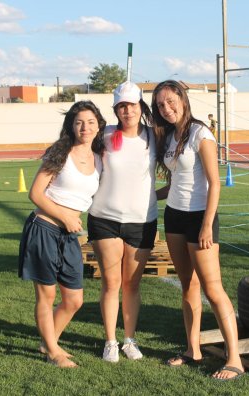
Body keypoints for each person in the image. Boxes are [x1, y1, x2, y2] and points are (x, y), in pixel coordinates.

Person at [151, 80, 244, 381]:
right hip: (174, 217)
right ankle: (193, 350)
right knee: (187, 285)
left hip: (200, 219)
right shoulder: (170, 136)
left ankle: (234, 359)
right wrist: (149, 196)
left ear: (182, 98)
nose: (166, 108)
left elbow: (215, 183)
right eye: (160, 105)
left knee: (213, 289)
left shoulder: (200, 133)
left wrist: (206, 225)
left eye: (170, 101)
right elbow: (177, 182)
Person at [18, 101, 106, 368]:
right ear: (71, 125)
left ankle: (48, 342)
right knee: (46, 296)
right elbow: (35, 194)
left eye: (90, 122)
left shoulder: (100, 159)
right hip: (43, 229)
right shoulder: (60, 153)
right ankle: (53, 352)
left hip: (69, 236)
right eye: (79, 122)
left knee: (74, 299)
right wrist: (65, 216)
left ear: (98, 125)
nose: (85, 127)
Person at [87, 81, 158, 363]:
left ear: (141, 107)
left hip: (142, 221)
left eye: (132, 105)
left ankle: (129, 339)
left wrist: (157, 194)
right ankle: (110, 342)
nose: (127, 111)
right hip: (104, 219)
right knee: (111, 283)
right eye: (121, 106)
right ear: (116, 109)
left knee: (132, 285)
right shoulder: (103, 135)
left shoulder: (155, 137)